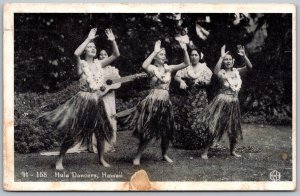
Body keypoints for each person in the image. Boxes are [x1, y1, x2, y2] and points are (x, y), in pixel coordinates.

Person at [41, 28, 120, 169]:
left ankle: (101, 159)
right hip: (83, 101)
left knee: (101, 131)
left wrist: (113, 41)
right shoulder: (82, 65)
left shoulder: (99, 64)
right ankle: (60, 159)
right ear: (85, 50)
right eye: (90, 47)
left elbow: (115, 54)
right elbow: (76, 53)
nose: (92, 48)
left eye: (94, 47)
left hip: (97, 101)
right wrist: (89, 39)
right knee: (74, 131)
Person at [127, 40, 191, 166]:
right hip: (153, 101)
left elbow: (186, 63)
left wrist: (184, 49)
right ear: (156, 56)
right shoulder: (152, 68)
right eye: (161, 54)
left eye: (164, 54)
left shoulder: (169, 68)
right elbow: (144, 65)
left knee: (167, 130)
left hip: (165, 102)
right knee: (148, 131)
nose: (164, 56)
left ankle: (164, 154)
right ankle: (138, 156)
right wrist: (155, 51)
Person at [200, 45, 253, 159]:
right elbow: (215, 71)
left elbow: (249, 67)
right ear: (224, 62)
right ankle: (205, 152)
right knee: (215, 126)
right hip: (222, 101)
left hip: (234, 102)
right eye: (226, 60)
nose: (228, 61)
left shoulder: (237, 71)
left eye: (229, 59)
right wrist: (221, 57)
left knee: (233, 127)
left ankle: (232, 150)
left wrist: (244, 55)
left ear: (233, 61)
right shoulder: (222, 72)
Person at [172, 49, 213, 150]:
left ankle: (200, 142)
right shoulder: (186, 67)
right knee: (187, 116)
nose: (194, 57)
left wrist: (204, 83)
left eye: (196, 55)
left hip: (200, 96)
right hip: (188, 95)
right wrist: (181, 81)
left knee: (200, 117)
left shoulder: (204, 68)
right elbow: (176, 77)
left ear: (200, 56)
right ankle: (187, 142)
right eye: (192, 55)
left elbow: (209, 81)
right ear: (189, 56)